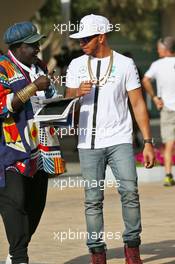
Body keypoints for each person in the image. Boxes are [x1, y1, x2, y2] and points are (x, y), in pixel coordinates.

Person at [65, 14, 155, 264]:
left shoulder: (126, 64)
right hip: (88, 142)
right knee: (93, 199)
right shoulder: (76, 65)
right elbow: (66, 100)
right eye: (80, 38)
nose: (81, 42)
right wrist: (75, 92)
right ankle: (97, 252)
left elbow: (137, 104)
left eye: (86, 38)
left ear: (101, 37)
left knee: (130, 192)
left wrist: (148, 142)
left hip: (119, 139)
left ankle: (132, 248)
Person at [0, 21, 65, 264]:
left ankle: (15, 251)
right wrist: (33, 87)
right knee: (14, 204)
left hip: (41, 146)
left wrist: (55, 95)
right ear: (17, 47)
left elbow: (46, 98)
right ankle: (19, 257)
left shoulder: (38, 65)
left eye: (37, 43)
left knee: (36, 206)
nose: (37, 48)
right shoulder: (3, 68)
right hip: (10, 150)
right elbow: (2, 107)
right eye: (32, 45)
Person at [143, 36, 175, 187]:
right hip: (167, 109)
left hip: (167, 109)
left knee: (168, 144)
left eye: (159, 48)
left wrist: (155, 98)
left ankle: (168, 175)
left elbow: (145, 80)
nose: (157, 50)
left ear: (165, 49)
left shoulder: (157, 65)